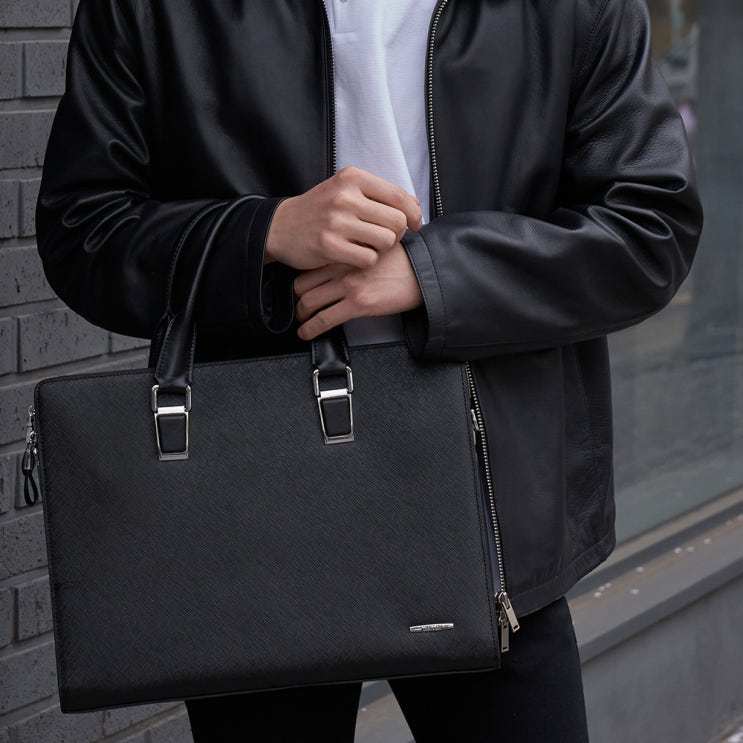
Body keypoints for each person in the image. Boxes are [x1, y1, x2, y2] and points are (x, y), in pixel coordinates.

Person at [36, 0, 702, 740]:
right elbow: (83, 230)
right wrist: (262, 233)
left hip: (489, 500)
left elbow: (648, 229)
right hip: (255, 500)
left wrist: (434, 273)